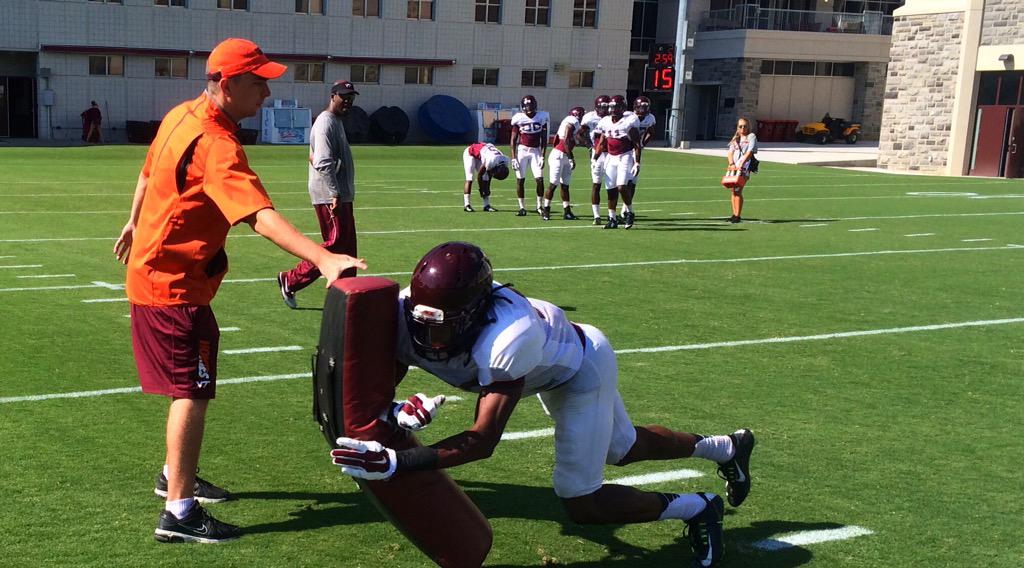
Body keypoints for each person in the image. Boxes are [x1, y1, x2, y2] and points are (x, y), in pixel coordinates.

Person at [329, 242, 755, 568]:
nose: (429, 338)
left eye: (443, 327)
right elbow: (387, 377)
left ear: (477, 313)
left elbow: (482, 441)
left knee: (580, 499)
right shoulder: (410, 313)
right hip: (545, 369)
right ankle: (727, 448)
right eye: (422, 323)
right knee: (623, 448)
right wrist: (397, 409)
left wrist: (398, 463)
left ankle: (700, 508)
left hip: (579, 367)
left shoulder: (509, 338)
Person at [112, 38, 367, 544]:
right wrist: (322, 257)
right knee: (192, 389)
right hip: (173, 287)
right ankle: (179, 512)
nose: (267, 93)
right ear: (227, 84)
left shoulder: (181, 115)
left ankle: (174, 476)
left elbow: (146, 174)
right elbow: (257, 215)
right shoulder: (214, 142)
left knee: (192, 386)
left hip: (163, 277)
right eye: (258, 82)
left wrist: (133, 220)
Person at [277, 80, 361, 309]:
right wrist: (334, 193)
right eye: (344, 97)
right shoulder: (325, 122)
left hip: (339, 195)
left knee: (347, 249)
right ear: (333, 96)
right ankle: (290, 280)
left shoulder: (335, 121)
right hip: (330, 196)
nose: (348, 101)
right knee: (335, 245)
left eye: (351, 98)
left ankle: (348, 297)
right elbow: (323, 162)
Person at [594, 95, 641, 229]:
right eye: (611, 107)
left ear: (623, 108)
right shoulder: (605, 121)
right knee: (610, 189)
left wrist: (637, 162)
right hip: (611, 157)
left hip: (625, 156)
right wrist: (595, 157)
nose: (613, 110)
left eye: (616, 107)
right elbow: (603, 141)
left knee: (621, 186)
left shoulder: (629, 122)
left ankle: (630, 212)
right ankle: (612, 218)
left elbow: (637, 144)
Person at [541, 107, 584, 221]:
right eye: (578, 114)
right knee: (553, 184)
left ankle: (567, 211)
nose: (579, 117)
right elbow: (565, 142)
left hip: (564, 155)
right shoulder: (571, 121)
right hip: (559, 156)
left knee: (565, 185)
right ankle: (546, 209)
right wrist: (571, 158)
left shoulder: (576, 124)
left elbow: (577, 138)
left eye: (581, 114)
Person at [510, 95, 549, 216]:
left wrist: (543, 156)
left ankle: (539, 206)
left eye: (531, 106)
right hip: (522, 150)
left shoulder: (542, 117)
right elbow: (513, 140)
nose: (529, 108)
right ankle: (522, 207)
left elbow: (544, 139)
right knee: (520, 179)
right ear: (523, 107)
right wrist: (513, 157)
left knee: (539, 179)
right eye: (527, 106)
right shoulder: (518, 118)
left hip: (536, 151)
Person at [576, 95, 610, 225]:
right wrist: (589, 146)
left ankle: (612, 214)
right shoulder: (589, 117)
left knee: (612, 186)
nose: (604, 110)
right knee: (596, 184)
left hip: (612, 154)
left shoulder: (614, 118)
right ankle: (596, 215)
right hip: (597, 152)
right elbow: (579, 134)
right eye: (602, 107)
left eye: (606, 107)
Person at [621, 96, 656, 219]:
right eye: (641, 107)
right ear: (635, 107)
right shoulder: (628, 117)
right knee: (622, 181)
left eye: (645, 107)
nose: (643, 109)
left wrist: (642, 144)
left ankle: (625, 208)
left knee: (633, 181)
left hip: (636, 150)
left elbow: (651, 132)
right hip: (624, 150)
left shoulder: (650, 118)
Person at [461, 142, 510, 212]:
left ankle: (486, 205)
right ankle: (467, 205)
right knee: (470, 178)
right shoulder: (491, 161)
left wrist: (487, 188)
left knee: (486, 178)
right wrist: (481, 189)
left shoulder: (506, 160)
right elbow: (480, 175)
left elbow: (489, 174)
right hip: (470, 153)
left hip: (483, 153)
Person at [725, 117, 757, 223]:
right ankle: (734, 214)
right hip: (734, 168)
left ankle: (737, 216)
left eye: (745, 126)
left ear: (748, 127)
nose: (743, 128)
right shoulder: (736, 138)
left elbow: (750, 152)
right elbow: (730, 153)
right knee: (733, 191)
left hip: (744, 169)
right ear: (737, 128)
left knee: (738, 190)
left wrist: (741, 164)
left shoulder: (751, 137)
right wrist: (731, 164)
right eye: (740, 126)